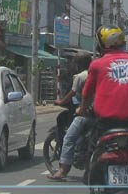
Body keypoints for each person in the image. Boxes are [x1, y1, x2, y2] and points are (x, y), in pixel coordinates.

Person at [79, 26, 128, 153]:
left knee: (92, 153)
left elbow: (87, 94)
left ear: (102, 44)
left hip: (106, 124)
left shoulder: (97, 64)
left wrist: (82, 109)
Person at [48, 53, 93, 181]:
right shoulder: (96, 74)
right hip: (100, 113)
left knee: (69, 138)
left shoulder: (80, 76)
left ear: (78, 64)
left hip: (85, 113)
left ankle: (62, 170)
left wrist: (60, 102)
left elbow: (72, 93)